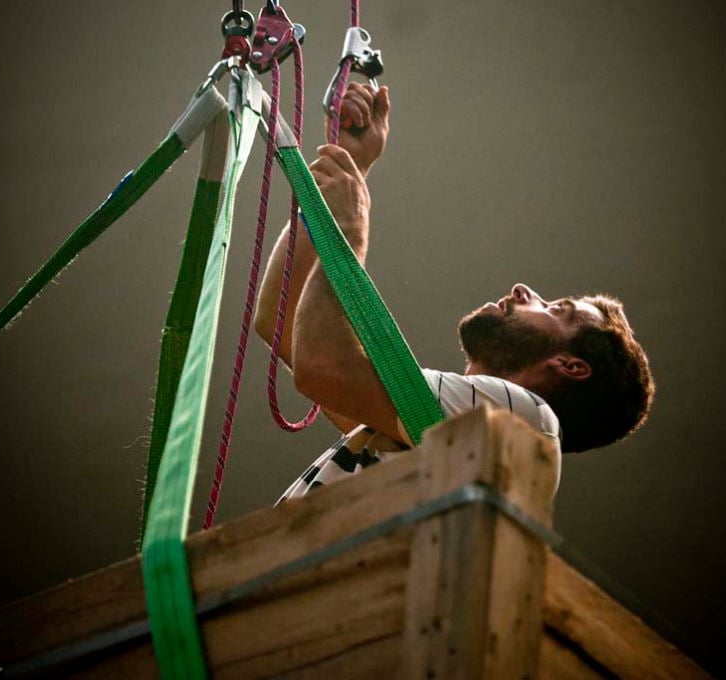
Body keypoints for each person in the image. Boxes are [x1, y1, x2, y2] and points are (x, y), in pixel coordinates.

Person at [254, 83, 654, 502]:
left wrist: (350, 230)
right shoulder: (431, 430)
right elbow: (282, 320)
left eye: (556, 308)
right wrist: (349, 169)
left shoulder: (529, 421)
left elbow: (323, 366)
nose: (524, 290)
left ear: (570, 365)